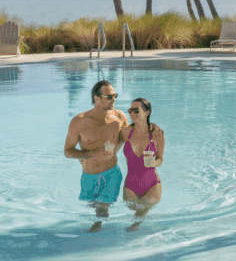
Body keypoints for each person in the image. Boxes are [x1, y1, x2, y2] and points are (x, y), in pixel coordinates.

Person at [64, 79, 128, 231]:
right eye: (109, 97)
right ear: (96, 98)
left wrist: (113, 151)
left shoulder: (119, 117)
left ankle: (98, 224)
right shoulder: (79, 122)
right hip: (88, 175)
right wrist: (90, 154)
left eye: (115, 96)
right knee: (91, 203)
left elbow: (125, 138)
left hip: (112, 173)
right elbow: (68, 151)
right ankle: (99, 218)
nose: (113, 100)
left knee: (102, 207)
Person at [120, 97, 165, 231]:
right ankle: (139, 221)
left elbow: (160, 159)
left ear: (147, 112)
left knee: (143, 208)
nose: (132, 114)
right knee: (134, 207)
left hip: (152, 183)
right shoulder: (125, 132)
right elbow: (111, 147)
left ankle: (136, 224)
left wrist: (153, 162)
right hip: (131, 184)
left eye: (136, 110)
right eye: (130, 110)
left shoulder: (157, 134)